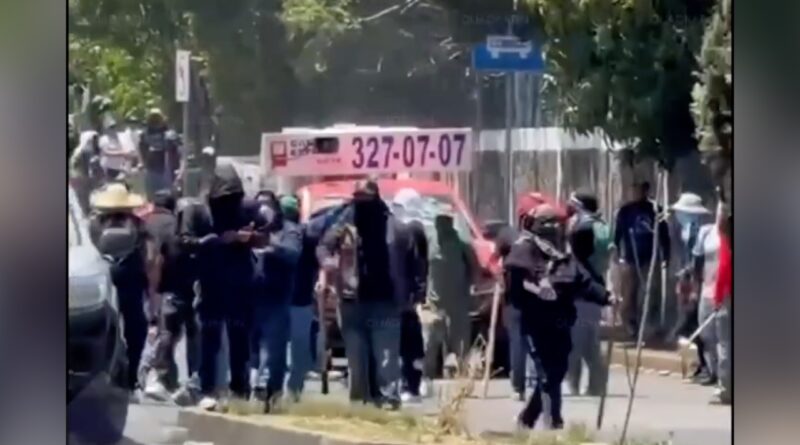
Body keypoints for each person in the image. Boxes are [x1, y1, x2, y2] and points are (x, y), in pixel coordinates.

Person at [505, 204, 612, 430]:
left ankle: (528, 418)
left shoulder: (563, 255)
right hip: (535, 323)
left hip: (561, 324)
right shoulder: (524, 248)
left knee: (557, 371)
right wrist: (537, 289)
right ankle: (552, 420)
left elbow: (584, 283)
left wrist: (606, 297)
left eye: (558, 224)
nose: (555, 228)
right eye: (550, 223)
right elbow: (516, 284)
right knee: (546, 372)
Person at [317, 180, 413, 409]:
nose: (362, 204)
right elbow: (323, 246)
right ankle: (361, 403)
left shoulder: (395, 227)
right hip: (352, 302)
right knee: (357, 360)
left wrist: (412, 293)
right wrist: (328, 262)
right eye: (358, 198)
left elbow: (412, 261)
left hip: (385, 301)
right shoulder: (345, 224)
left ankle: (389, 401)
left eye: (366, 199)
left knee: (386, 359)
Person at [195, 164, 265, 410]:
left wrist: (250, 237)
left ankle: (239, 390)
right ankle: (207, 388)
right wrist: (220, 240)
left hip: (239, 281)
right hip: (212, 280)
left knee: (239, 338)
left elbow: (267, 232)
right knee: (211, 338)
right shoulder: (203, 212)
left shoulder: (247, 208)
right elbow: (190, 242)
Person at [88, 183, 161, 401]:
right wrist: (152, 288)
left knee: (103, 327)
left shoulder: (95, 224)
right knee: (135, 330)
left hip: (104, 277)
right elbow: (151, 258)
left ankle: (102, 377)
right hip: (131, 278)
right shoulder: (139, 225)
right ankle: (131, 381)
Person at [250, 192, 302, 410]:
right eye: (259, 205)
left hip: (277, 297)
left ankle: (272, 392)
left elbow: (293, 253)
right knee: (251, 349)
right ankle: (253, 391)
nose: (263, 209)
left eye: (267, 205)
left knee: (274, 350)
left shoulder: (288, 230)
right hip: (251, 297)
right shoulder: (251, 227)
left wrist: (271, 246)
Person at [420, 210, 478, 387]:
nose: (441, 227)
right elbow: (421, 266)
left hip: (458, 299)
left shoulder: (462, 244)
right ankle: (426, 376)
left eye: (444, 222)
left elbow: (474, 267)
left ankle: (462, 376)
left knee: (460, 340)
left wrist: (470, 286)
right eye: (438, 223)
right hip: (434, 301)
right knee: (430, 340)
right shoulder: (430, 243)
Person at [565, 191, 611, 396]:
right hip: (596, 287)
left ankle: (574, 383)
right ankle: (597, 385)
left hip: (581, 288)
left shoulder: (580, 229)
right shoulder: (599, 225)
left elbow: (576, 259)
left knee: (576, 340)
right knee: (591, 340)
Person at [612, 181, 671, 341]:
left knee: (650, 293)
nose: (636, 192)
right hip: (631, 258)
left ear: (646, 191)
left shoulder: (655, 210)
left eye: (640, 189)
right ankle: (630, 324)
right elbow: (617, 234)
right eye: (634, 188)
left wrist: (666, 255)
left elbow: (664, 235)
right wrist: (616, 251)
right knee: (629, 293)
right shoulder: (625, 211)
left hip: (651, 259)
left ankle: (648, 324)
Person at [669, 192, 714, 383]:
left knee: (694, 325)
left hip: (699, 282)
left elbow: (699, 261)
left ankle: (705, 365)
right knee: (690, 324)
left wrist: (694, 285)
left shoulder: (703, 231)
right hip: (686, 281)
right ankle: (699, 364)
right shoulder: (684, 230)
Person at [391, 189, 429, 403]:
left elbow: (420, 264)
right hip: (406, 297)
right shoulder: (415, 228)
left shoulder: (407, 229)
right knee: (410, 343)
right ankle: (411, 383)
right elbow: (422, 265)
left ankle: (409, 383)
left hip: (401, 297)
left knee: (405, 343)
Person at [711, 200, 731, 405]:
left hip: (729, 297)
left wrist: (717, 299)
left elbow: (724, 271)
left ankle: (726, 389)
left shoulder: (727, 243)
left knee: (725, 344)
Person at [138, 108, 181, 201]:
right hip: (151, 171)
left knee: (168, 199)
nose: (155, 121)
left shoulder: (170, 135)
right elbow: (141, 149)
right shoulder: (145, 135)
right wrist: (142, 162)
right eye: (153, 119)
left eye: (156, 118)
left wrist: (180, 171)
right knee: (152, 199)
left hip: (168, 171)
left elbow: (179, 154)